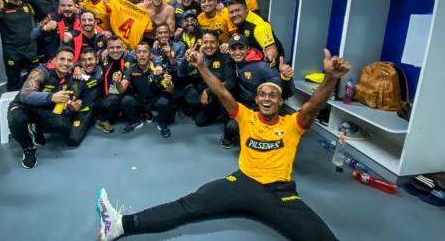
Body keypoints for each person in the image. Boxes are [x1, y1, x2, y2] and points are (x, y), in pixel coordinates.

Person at [96, 48, 350, 241]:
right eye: (262, 94)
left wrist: (330, 79)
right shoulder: (246, 116)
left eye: (273, 94)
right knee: (186, 206)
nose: (267, 98)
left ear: (280, 99)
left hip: (279, 193)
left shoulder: (293, 123)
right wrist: (202, 67)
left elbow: (313, 106)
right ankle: (118, 225)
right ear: (257, 99)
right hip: (241, 183)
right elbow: (221, 91)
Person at [7, 47, 75, 168]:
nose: (65, 63)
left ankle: (37, 128)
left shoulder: (70, 77)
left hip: (44, 108)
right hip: (23, 106)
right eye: (62, 59)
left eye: (69, 60)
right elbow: (25, 95)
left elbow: (64, 103)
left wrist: (69, 107)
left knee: (64, 126)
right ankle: (28, 148)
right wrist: (51, 97)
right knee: (16, 120)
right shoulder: (40, 72)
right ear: (54, 60)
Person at [183, 31, 236, 147]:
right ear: (201, 43)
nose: (208, 45)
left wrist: (208, 91)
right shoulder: (196, 56)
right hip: (208, 98)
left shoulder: (225, 57)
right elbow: (181, 74)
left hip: (222, 96)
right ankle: (216, 114)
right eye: (205, 42)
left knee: (224, 99)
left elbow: (231, 83)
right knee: (199, 122)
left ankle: (229, 133)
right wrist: (185, 59)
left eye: (212, 42)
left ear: (218, 44)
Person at [116, 42, 175, 138]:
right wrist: (118, 83)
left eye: (145, 52)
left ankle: (162, 123)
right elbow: (121, 90)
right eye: (139, 52)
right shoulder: (130, 69)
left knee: (165, 102)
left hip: (156, 99)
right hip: (140, 100)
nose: (142, 54)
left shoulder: (158, 69)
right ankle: (136, 121)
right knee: (125, 100)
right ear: (135, 56)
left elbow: (171, 90)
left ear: (150, 55)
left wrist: (169, 84)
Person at [94, 36, 133, 133]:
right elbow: (85, 59)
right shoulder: (102, 57)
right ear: (106, 49)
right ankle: (101, 120)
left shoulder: (129, 58)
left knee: (122, 98)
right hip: (105, 93)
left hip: (125, 90)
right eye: (111, 48)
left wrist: (118, 83)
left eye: (118, 47)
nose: (115, 50)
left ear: (123, 47)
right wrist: (78, 67)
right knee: (112, 97)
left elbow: (122, 89)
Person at [227, 0, 280, 66]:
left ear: (246, 9)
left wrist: (269, 58)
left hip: (265, 67)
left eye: (237, 10)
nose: (234, 14)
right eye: (231, 12)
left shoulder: (259, 25)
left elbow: (270, 49)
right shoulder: (237, 21)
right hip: (248, 63)